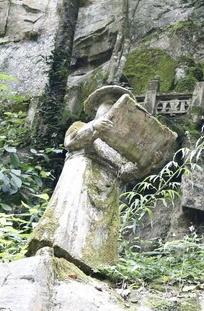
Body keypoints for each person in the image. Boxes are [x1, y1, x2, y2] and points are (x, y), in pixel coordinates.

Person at [27, 86, 145, 273]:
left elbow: (125, 172)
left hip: (108, 187)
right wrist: (94, 128)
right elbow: (71, 141)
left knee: (100, 229)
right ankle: (53, 246)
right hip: (80, 175)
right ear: (96, 107)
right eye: (109, 103)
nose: (112, 108)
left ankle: (96, 264)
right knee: (70, 214)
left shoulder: (119, 145)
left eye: (117, 105)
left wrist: (144, 163)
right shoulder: (81, 126)